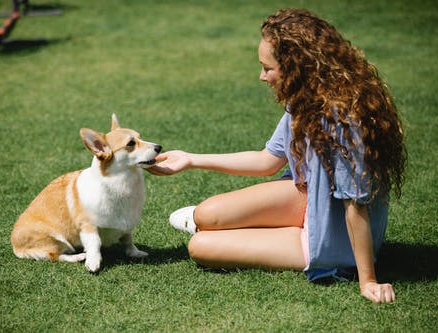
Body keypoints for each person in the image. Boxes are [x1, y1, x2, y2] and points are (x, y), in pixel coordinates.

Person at [148, 8, 406, 304]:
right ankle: (249, 222)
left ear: (297, 66)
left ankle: (276, 231)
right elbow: (267, 160)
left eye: (267, 68)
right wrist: (191, 159)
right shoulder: (303, 100)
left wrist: (368, 280)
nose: (262, 76)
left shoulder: (343, 119)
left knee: (200, 246)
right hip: (307, 197)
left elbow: (355, 205)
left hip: (330, 237)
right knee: (205, 215)